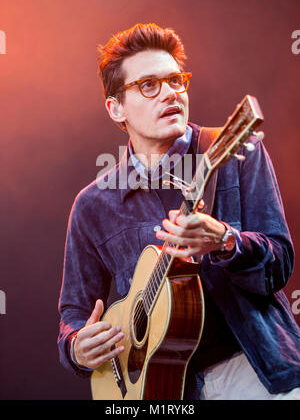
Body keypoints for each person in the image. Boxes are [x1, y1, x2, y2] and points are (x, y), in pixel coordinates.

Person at [58, 23, 300, 400]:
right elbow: (75, 311)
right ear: (116, 108)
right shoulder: (92, 205)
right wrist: (76, 347)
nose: (170, 93)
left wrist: (224, 240)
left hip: (254, 372)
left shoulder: (235, 153)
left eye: (175, 80)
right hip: (159, 390)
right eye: (148, 85)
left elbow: (279, 266)